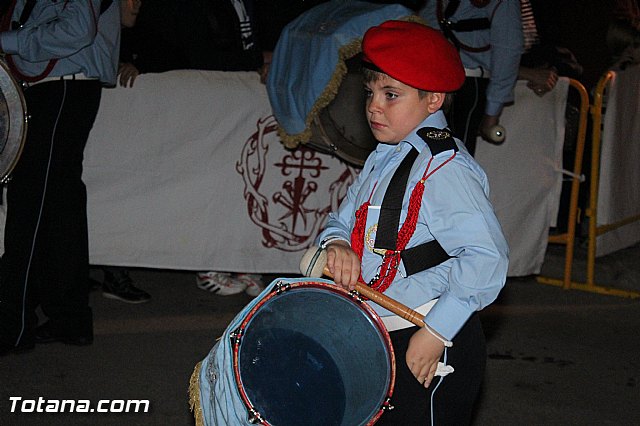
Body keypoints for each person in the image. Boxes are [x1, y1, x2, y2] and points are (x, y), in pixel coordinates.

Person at [315, 20, 508, 424]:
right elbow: (341, 220)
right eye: (370, 93)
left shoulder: (445, 169)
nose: (373, 106)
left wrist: (438, 331)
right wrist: (337, 245)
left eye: (391, 95)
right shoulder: (384, 156)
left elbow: (486, 256)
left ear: (433, 99)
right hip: (379, 327)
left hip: (427, 330)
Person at [0, 0, 120, 356]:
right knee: (58, 206)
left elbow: (77, 30)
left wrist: (8, 42)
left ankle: (13, 326)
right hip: (63, 86)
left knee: (30, 204)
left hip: (60, 87)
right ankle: (69, 318)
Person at [97, 0, 152, 305]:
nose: (137, 4)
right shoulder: (96, 32)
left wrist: (141, 65)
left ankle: (113, 271)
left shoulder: (139, 35)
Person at [419, 0, 524, 155]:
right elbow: (508, 52)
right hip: (433, 79)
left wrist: (492, 112)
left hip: (464, 82)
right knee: (428, 152)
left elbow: (507, 53)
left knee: (452, 156)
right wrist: (492, 114)